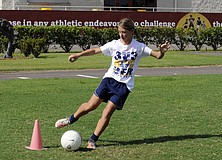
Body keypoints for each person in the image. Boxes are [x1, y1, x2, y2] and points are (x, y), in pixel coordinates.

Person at [55, 18, 170, 149]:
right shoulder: (114, 44)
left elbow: (157, 55)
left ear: (132, 32)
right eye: (120, 32)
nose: (121, 35)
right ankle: (70, 119)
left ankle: (92, 140)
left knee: (107, 112)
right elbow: (95, 50)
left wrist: (161, 51)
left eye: (124, 32)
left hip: (124, 86)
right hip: (109, 80)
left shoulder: (139, 47)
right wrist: (79, 55)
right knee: (90, 106)